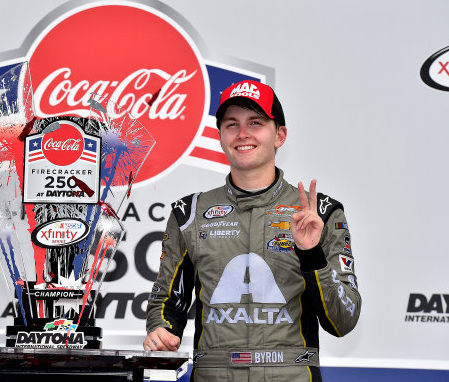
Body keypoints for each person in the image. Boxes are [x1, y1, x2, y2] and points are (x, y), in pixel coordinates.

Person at [143, 80, 361, 381]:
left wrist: (312, 255)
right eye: (231, 124)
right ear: (220, 136)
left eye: (255, 122)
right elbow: (166, 303)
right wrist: (161, 331)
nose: (242, 134)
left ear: (280, 135)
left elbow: (343, 321)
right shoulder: (188, 214)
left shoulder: (320, 212)